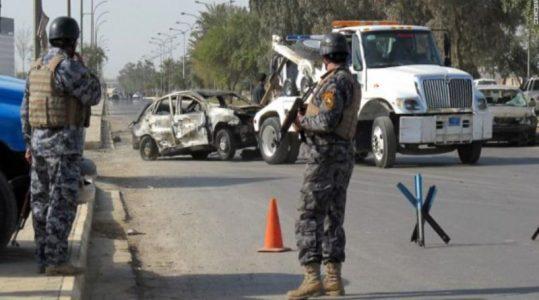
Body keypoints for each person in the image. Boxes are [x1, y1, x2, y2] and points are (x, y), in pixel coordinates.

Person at [20, 16, 101, 276]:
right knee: (62, 203)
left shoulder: (36, 67)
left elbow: (25, 110)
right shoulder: (66, 66)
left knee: (41, 204)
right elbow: (93, 95)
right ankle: (57, 262)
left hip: (39, 147)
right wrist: (85, 68)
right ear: (73, 40)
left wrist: (29, 144)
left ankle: (43, 259)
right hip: (63, 148)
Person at [287, 33, 361, 300]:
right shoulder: (349, 80)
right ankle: (333, 280)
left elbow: (328, 122)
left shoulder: (334, 83)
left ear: (326, 56)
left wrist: (303, 121)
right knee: (333, 216)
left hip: (324, 155)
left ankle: (311, 278)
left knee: (309, 215)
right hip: (343, 155)